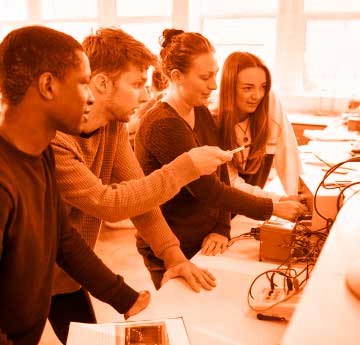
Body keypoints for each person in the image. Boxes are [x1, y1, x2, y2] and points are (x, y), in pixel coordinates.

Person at [50, 27, 233, 344]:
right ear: (103, 83)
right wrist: (184, 168)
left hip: (69, 275)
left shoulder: (113, 127)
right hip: (26, 277)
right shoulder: (55, 140)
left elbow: (142, 198)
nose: (147, 95)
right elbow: (108, 203)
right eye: (137, 84)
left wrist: (173, 256)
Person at [0, 25, 150, 345]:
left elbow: (62, 237)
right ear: (48, 86)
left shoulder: (40, 154)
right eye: (83, 83)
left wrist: (123, 296)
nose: (90, 95)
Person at [134, 29, 307, 288]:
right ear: (176, 76)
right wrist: (272, 208)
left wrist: (221, 228)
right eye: (205, 77)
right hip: (171, 246)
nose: (214, 85)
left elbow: (221, 174)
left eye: (214, 74)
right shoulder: (164, 124)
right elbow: (208, 190)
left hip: (204, 238)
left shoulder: (200, 111)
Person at [217, 51, 302, 200]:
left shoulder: (269, 102)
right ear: (229, 88)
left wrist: (295, 195)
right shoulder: (213, 121)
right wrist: (278, 201)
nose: (257, 96)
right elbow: (231, 182)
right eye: (247, 88)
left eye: (263, 86)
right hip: (226, 209)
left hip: (253, 207)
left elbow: (286, 148)